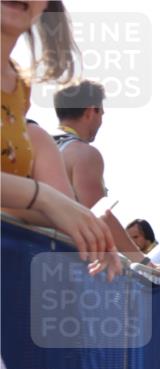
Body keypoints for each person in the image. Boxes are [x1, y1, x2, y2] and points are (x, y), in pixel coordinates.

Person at [2, 1, 119, 278]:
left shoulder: (20, 87)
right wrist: (42, 197)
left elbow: (31, 206)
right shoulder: (81, 154)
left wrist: (87, 227)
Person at [52, 80, 107, 208]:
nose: (101, 120)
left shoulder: (36, 145)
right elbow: (96, 215)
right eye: (101, 113)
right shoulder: (84, 154)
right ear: (90, 112)